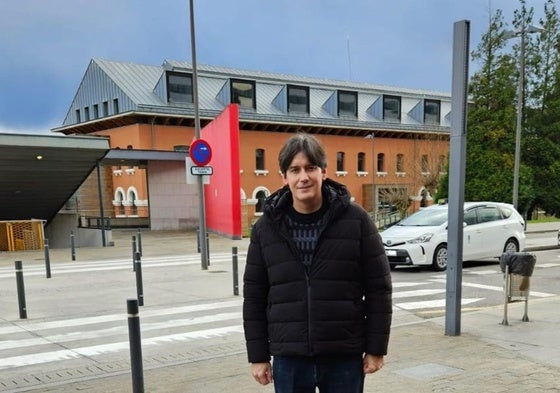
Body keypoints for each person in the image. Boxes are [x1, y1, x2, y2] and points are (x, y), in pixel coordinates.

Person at [243, 133, 392, 392]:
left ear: (324, 172)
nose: (303, 177)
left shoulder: (356, 221)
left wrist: (376, 348)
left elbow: (379, 289)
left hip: (343, 355)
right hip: (289, 357)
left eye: (310, 168)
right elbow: (254, 296)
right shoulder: (266, 228)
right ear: (284, 177)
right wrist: (258, 355)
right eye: (295, 169)